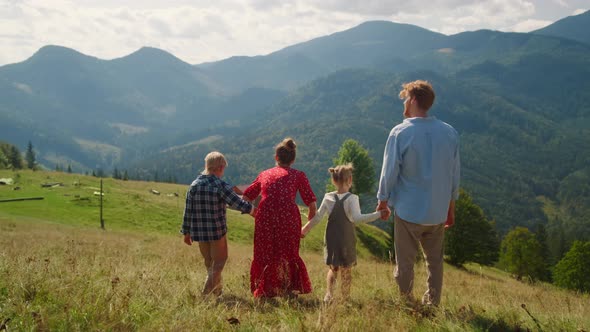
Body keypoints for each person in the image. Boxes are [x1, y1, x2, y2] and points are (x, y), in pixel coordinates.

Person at [376, 80, 460, 307]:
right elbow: (454, 175)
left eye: (405, 98)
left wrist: (382, 201)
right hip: (438, 212)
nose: (404, 102)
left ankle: (407, 302)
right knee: (435, 262)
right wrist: (450, 208)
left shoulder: (400, 132)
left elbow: (389, 170)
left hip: (408, 211)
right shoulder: (450, 132)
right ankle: (432, 304)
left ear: (413, 100)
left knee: (405, 263)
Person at [243, 138, 317, 298]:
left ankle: (263, 290)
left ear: (276, 158)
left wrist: (254, 212)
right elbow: (311, 201)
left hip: (265, 218)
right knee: (288, 253)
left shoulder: (264, 174)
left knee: (264, 253)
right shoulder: (298, 175)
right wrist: (311, 214)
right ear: (293, 159)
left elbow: (247, 196)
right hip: (289, 218)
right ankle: (288, 290)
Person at [301, 163, 383, 303]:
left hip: (332, 238)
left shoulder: (328, 197)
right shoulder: (352, 198)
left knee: (333, 268)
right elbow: (357, 219)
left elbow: (318, 217)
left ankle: (329, 295)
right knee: (347, 269)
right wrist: (378, 214)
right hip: (346, 239)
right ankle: (345, 298)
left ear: (333, 180)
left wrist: (305, 229)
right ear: (350, 180)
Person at [181, 151, 256, 296]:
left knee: (209, 263)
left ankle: (217, 291)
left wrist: (186, 232)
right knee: (219, 262)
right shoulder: (220, 185)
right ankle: (206, 294)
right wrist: (254, 211)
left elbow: (188, 210)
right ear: (220, 167)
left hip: (199, 232)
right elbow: (237, 203)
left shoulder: (194, 185)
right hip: (216, 231)